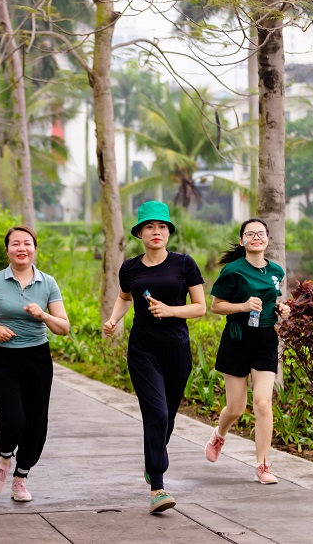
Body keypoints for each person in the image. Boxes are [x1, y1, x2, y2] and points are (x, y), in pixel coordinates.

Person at [102, 201, 206, 515]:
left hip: (176, 350)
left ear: (169, 232)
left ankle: (153, 460)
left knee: (169, 417)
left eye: (162, 227)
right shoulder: (130, 267)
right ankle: (157, 487)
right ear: (140, 233)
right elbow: (124, 297)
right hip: (143, 351)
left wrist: (171, 310)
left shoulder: (184, 264)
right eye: (149, 227)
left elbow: (200, 307)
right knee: (156, 415)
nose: (156, 232)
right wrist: (114, 319)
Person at [0, 226, 69, 503]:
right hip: (2, 359)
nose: (21, 248)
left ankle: (20, 478)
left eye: (27, 243)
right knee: (13, 417)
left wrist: (43, 315)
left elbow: (64, 327)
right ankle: (4, 457)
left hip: (37, 358)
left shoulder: (47, 283)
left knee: (37, 422)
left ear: (34, 249)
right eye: (15, 244)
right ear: (7, 250)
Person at [205, 218, 291, 484]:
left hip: (265, 338)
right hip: (237, 338)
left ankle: (263, 465)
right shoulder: (233, 270)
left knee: (263, 402)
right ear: (242, 240)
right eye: (250, 233)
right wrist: (242, 306)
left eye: (261, 233)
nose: (256, 237)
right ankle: (219, 434)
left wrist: (281, 309)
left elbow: (272, 300)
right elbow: (216, 306)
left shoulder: (276, 271)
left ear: (267, 239)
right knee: (236, 407)